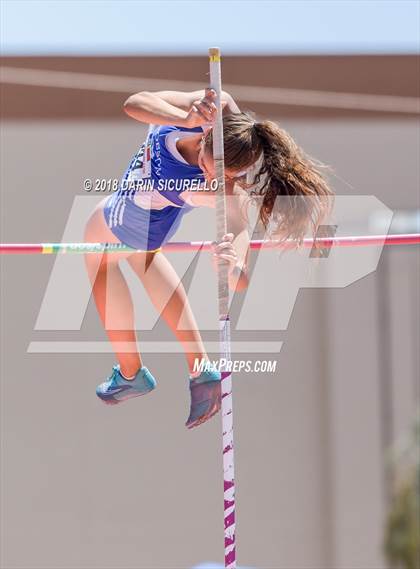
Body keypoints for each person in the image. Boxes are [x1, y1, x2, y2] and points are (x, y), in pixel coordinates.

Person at [84, 88, 332, 429]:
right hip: (143, 213)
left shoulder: (222, 190)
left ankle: (130, 370)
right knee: (143, 261)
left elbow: (240, 274)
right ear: (206, 138)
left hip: (135, 216)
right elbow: (134, 103)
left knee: (96, 255)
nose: (215, 179)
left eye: (227, 177)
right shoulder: (214, 113)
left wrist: (233, 267)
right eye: (212, 168)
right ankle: (197, 369)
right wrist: (183, 117)